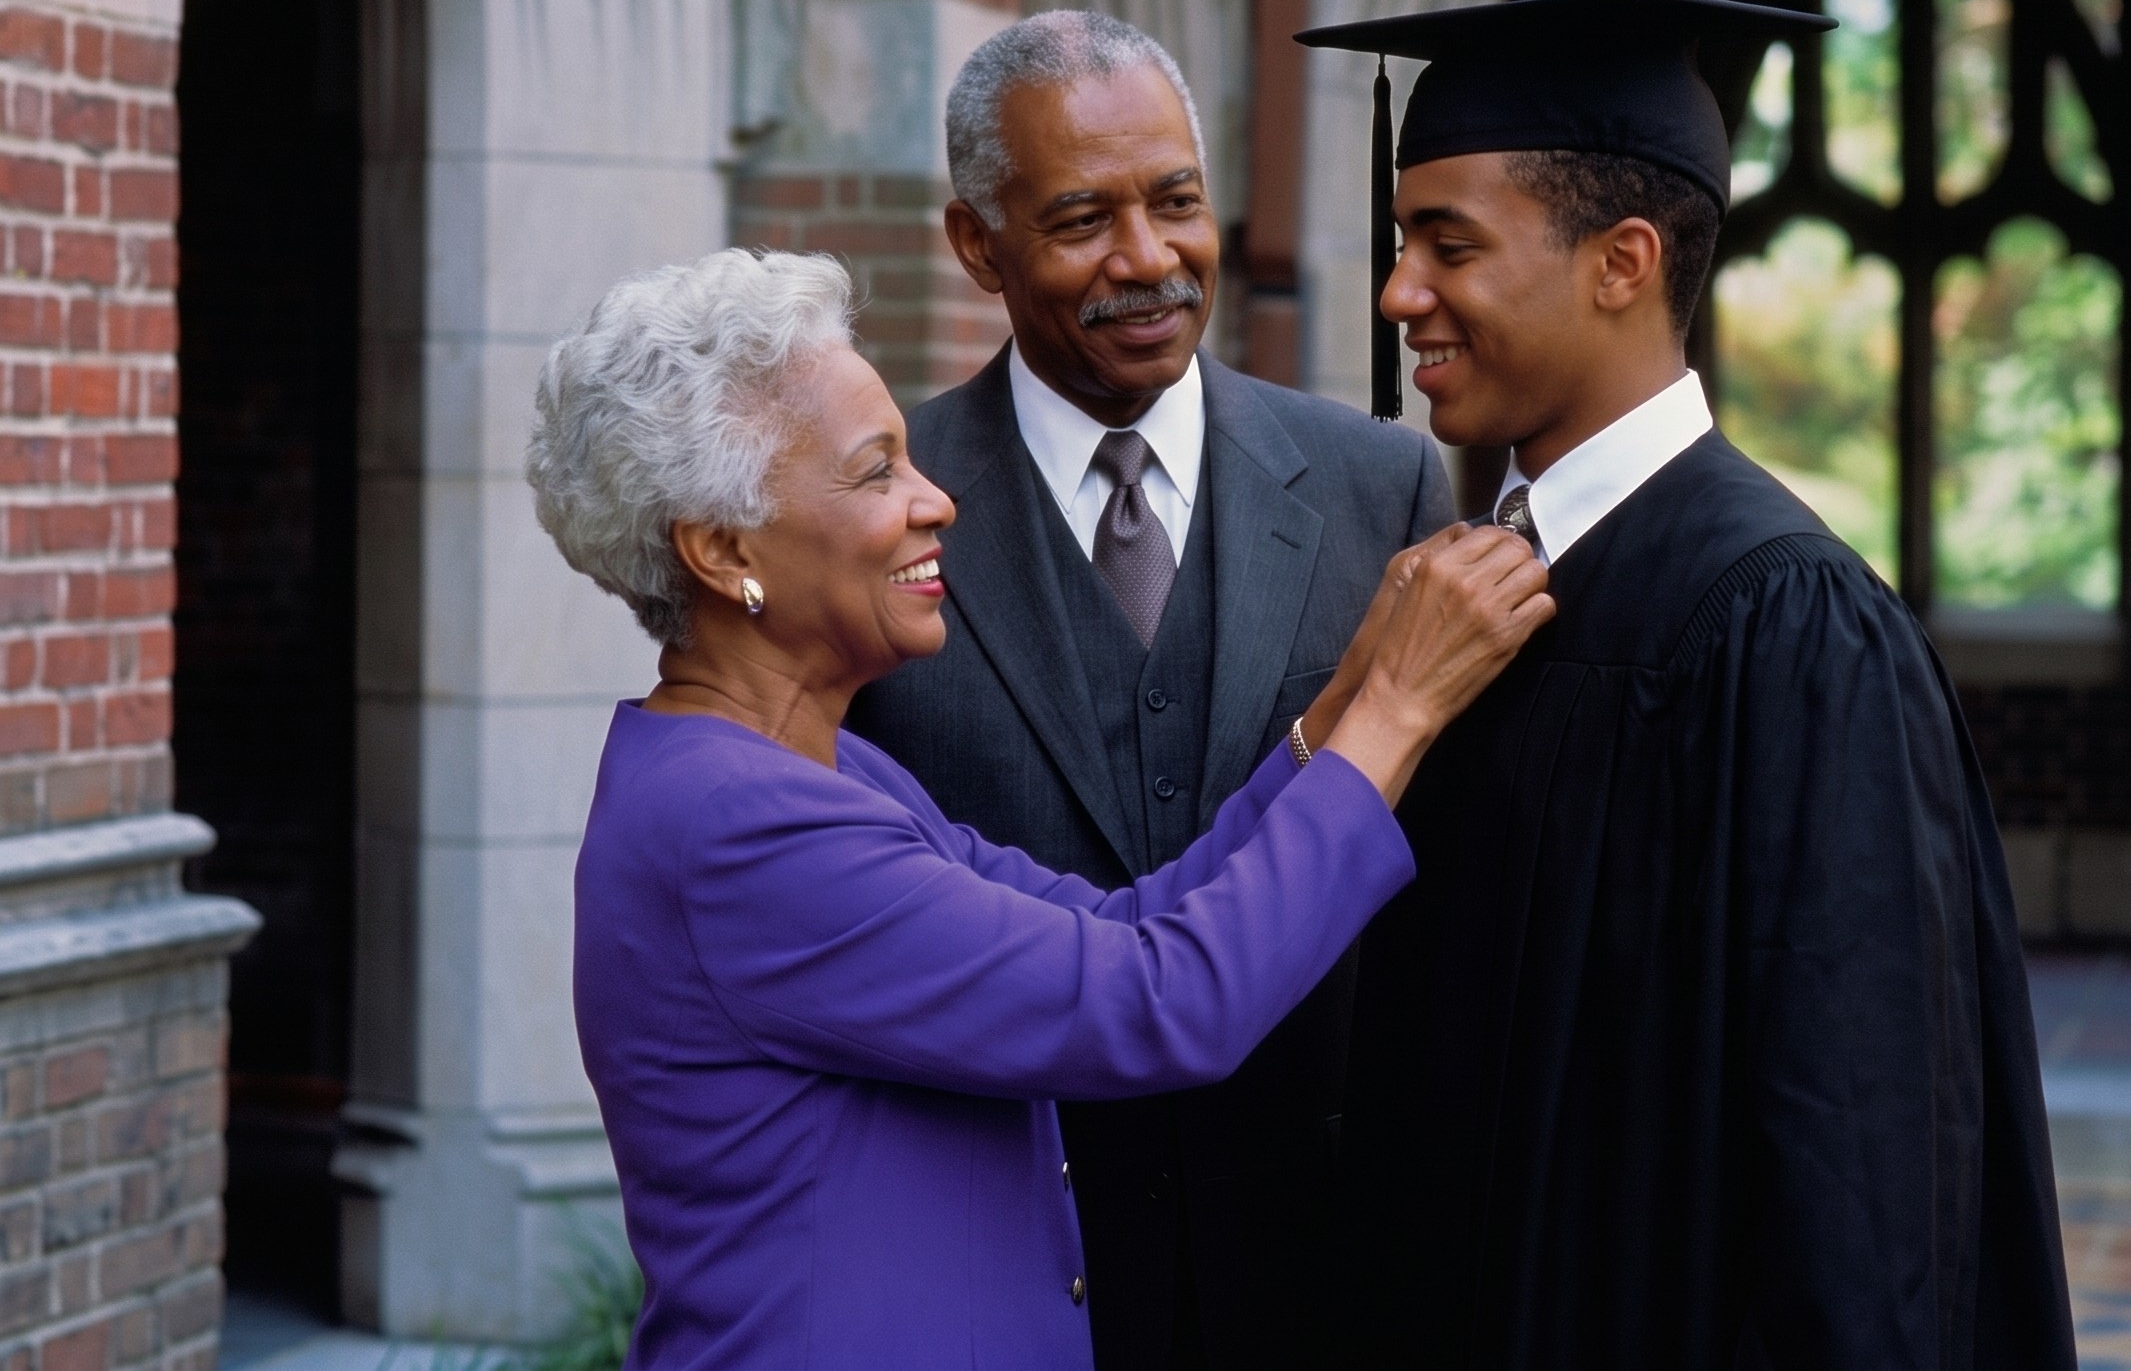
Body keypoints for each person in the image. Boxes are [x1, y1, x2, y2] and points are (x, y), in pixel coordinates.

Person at [528, 247, 1547, 1370]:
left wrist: (1345, 696)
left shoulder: (822, 772)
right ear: (724, 552)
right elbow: (1165, 998)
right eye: (876, 475)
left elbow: (1127, 927)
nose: (935, 502)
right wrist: (1395, 716)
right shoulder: (735, 827)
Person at [1298, 0, 2077, 1368]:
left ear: (1621, 262)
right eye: (1399, 239)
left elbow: (1854, 1162)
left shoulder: (1787, 627)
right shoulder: (1459, 591)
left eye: (1446, 244)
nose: (1396, 290)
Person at [844, 10, 1454, 1369]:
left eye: (1175, 201)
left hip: (1321, 1272)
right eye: (1079, 220)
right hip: (1000, 1269)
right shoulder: (883, 516)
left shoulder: (1379, 486)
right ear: (974, 244)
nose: (1148, 260)